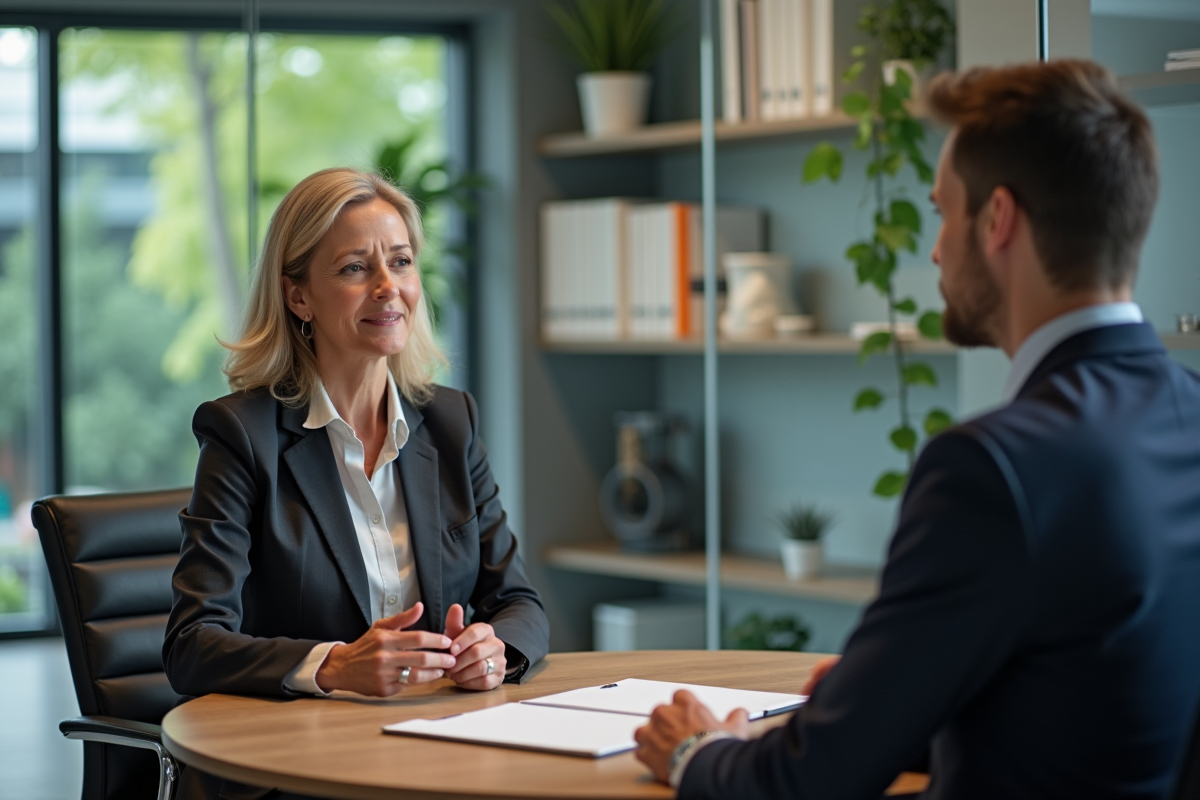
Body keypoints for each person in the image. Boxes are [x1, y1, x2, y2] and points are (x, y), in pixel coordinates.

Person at [635, 60, 1200, 799]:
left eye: (942, 213)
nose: (934, 250)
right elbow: (1105, 703)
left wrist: (695, 751)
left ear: (997, 220)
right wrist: (900, 700)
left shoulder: (991, 469)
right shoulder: (1185, 412)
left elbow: (807, 783)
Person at [164, 167, 549, 798]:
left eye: (400, 262)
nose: (387, 287)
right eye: (353, 269)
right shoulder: (243, 436)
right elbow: (192, 645)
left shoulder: (450, 422)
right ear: (298, 297)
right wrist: (335, 665)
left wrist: (496, 648)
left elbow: (520, 603)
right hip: (300, 764)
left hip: (441, 746)